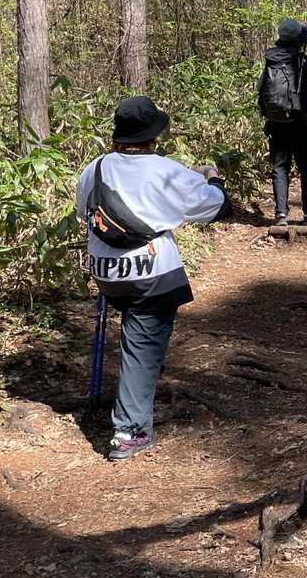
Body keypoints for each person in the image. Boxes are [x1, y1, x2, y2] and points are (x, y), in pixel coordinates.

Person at [77, 96, 232, 461]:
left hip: (106, 273)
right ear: (153, 135)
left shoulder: (94, 168)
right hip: (151, 274)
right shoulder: (166, 171)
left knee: (140, 338)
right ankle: (129, 431)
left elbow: (85, 213)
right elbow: (217, 207)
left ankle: (138, 390)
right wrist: (213, 178)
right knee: (143, 343)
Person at [258, 18, 307, 227]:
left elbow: (259, 88)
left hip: (277, 122)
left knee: (280, 168)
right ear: (301, 39)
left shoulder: (271, 62)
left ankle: (281, 215)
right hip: (303, 124)